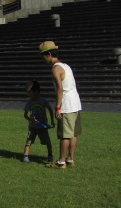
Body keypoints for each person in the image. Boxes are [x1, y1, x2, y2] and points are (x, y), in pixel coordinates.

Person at [39, 41, 82, 169]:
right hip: (76, 103)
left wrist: (57, 107)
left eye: (43, 55)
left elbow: (60, 89)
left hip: (67, 105)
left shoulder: (55, 68)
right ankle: (70, 159)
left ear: (49, 54)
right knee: (73, 134)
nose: (42, 58)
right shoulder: (66, 65)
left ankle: (61, 162)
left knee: (65, 135)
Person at [22, 80, 54, 164]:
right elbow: (25, 115)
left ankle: (50, 156)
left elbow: (50, 110)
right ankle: (25, 156)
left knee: (47, 141)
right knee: (29, 141)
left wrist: (52, 121)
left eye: (29, 92)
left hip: (42, 126)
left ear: (36, 91)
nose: (28, 94)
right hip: (32, 127)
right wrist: (30, 119)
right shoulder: (29, 102)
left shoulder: (43, 101)